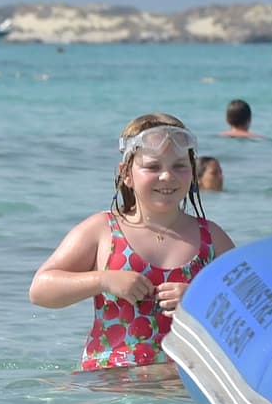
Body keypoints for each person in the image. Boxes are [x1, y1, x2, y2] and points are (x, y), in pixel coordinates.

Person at [29, 114, 235, 370]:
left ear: (193, 172)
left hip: (183, 387)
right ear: (126, 173)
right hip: (112, 384)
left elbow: (250, 305)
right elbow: (40, 290)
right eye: (153, 167)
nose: (167, 176)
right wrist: (103, 280)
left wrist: (202, 300)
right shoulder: (103, 230)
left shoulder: (211, 237)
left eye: (179, 165)